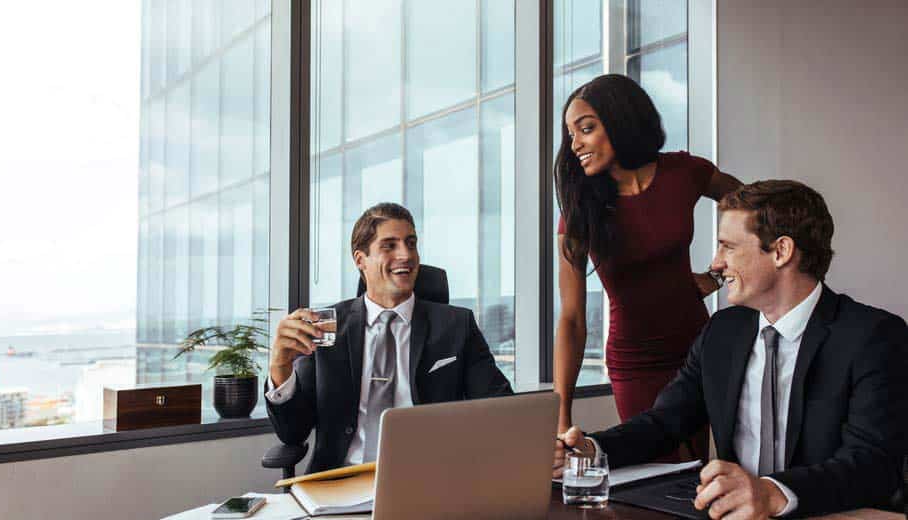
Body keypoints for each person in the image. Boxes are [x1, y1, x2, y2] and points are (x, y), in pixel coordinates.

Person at [554, 180, 908, 518]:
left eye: (728, 246)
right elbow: (663, 423)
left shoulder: (874, 337)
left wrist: (770, 493)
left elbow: (873, 464)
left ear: (782, 251)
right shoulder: (722, 331)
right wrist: (589, 450)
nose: (715, 264)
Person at [553, 74, 742, 460]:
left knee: (702, 468)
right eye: (570, 134)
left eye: (586, 129)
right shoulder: (578, 213)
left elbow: (749, 207)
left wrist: (720, 272)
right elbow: (571, 319)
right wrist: (561, 415)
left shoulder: (685, 173)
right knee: (652, 474)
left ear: (621, 120)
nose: (575, 145)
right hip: (635, 361)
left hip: (698, 347)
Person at [266, 202, 513, 473]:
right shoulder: (327, 328)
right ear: (361, 260)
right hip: (341, 480)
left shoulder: (456, 325)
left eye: (411, 243)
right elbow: (292, 434)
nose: (406, 255)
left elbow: (501, 410)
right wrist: (280, 366)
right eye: (389, 245)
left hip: (430, 478)